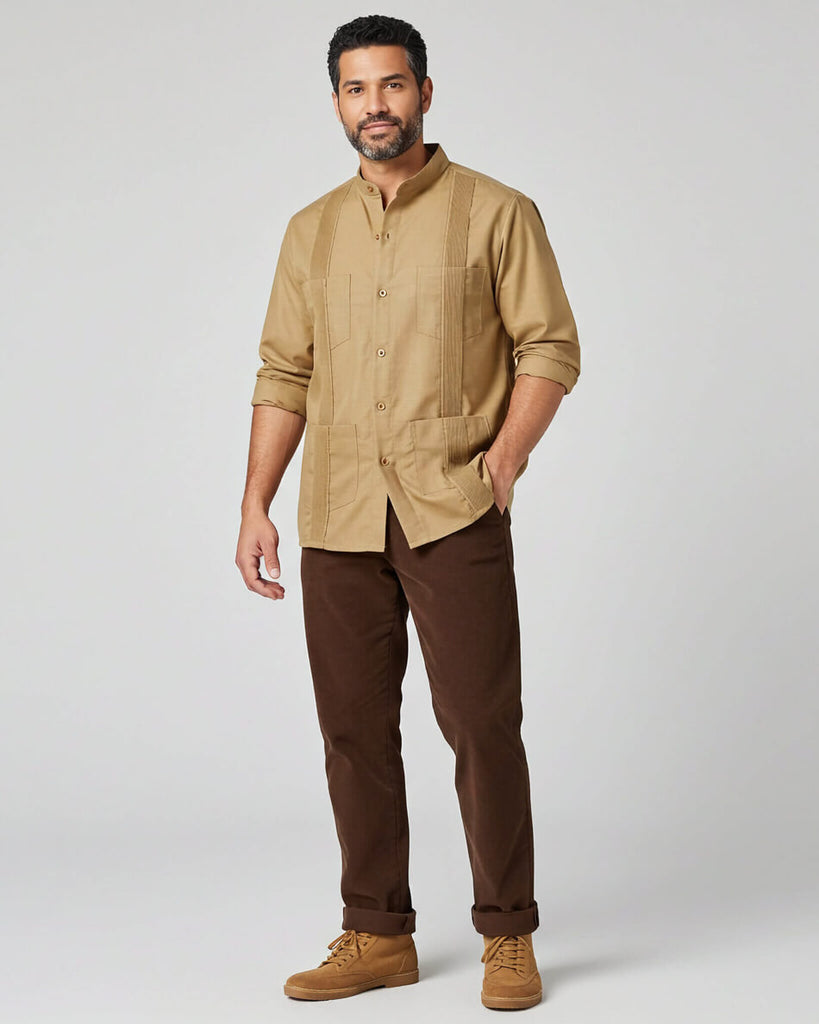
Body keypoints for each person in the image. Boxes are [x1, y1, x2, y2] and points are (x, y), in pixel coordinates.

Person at [235, 13, 580, 1011]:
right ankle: (377, 931)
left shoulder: (496, 213)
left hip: (450, 508)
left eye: (391, 86)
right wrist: (255, 501)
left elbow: (549, 347)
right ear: (337, 101)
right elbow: (283, 370)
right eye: (355, 89)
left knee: (481, 722)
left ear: (426, 92)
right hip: (335, 513)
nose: (374, 106)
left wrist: (503, 459)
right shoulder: (312, 231)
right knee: (351, 730)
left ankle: (508, 935)